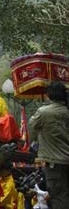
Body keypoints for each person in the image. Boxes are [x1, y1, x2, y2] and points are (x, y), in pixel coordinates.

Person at [28, 81, 69, 209]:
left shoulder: (43, 112)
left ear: (48, 95)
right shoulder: (66, 112)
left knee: (58, 197)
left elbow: (31, 129)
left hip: (54, 163)